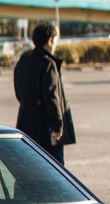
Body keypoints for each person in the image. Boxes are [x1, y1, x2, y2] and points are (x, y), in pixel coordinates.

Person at [13, 23, 75, 165]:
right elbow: (52, 97)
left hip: (25, 125)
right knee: (55, 172)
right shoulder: (47, 64)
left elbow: (19, 95)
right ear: (49, 41)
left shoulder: (21, 64)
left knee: (28, 170)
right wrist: (58, 126)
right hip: (46, 131)